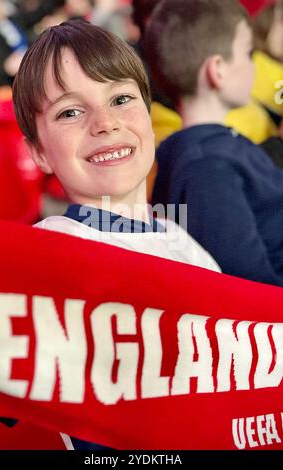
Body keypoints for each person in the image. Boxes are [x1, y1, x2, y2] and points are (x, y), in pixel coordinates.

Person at [11, 18, 220, 449]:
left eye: (121, 99)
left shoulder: (183, 244)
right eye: (70, 111)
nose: (105, 123)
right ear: (39, 152)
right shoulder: (48, 259)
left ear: (149, 116)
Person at [144, 0, 283, 287]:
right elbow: (248, 285)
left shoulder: (214, 150)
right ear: (217, 70)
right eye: (247, 54)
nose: (252, 66)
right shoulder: (207, 169)